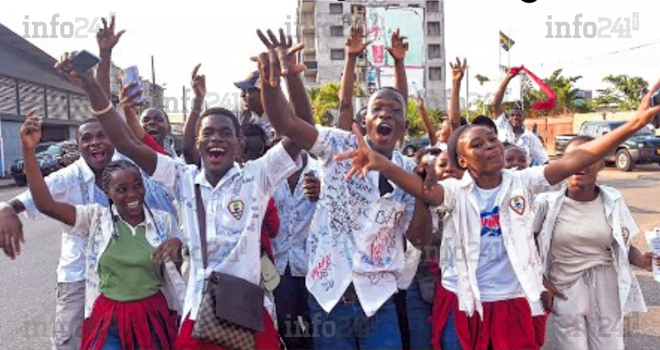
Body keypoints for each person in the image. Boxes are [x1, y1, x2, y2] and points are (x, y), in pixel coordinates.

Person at [334, 73, 660, 350]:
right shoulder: (456, 194)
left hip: (512, 303)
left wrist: (633, 124)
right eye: (477, 145)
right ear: (462, 162)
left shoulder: (522, 182)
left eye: (492, 140)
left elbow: (575, 159)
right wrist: (381, 163)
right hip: (463, 304)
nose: (490, 145)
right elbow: (424, 191)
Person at [54, 27, 312, 349]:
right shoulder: (183, 178)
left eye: (225, 133)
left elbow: (302, 132)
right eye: (208, 134)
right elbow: (125, 142)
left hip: (249, 312)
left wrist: (289, 75)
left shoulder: (257, 177)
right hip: (198, 314)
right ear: (198, 143)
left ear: (239, 142)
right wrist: (92, 85)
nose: (216, 138)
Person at [253, 28, 432, 350]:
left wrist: (423, 193)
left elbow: (419, 239)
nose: (386, 115)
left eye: (395, 111)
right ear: (366, 121)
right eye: (378, 109)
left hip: (378, 302)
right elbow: (288, 125)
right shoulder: (339, 145)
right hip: (328, 298)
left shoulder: (408, 173)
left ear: (405, 125)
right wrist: (273, 83)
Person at [20, 112, 183, 350]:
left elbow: (181, 260)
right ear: (106, 192)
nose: (132, 194)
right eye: (122, 189)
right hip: (110, 320)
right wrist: (28, 152)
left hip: (152, 316)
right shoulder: (95, 218)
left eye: (138, 186)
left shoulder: (163, 221)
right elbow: (46, 204)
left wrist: (178, 244)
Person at [534, 136, 658, 350]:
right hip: (564, 288)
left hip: (606, 285)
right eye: (572, 158)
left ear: (601, 163)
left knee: (610, 346)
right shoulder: (545, 202)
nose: (579, 164)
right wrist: (541, 283)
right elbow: (527, 246)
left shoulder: (613, 199)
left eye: (588, 157)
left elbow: (623, 243)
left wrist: (644, 261)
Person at [271, 147, 319, 350]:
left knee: (315, 325)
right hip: (279, 267)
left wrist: (324, 194)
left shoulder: (321, 172)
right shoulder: (268, 172)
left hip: (314, 266)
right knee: (286, 325)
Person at [491, 68, 548, 167]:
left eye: (519, 115)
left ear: (524, 118)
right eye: (512, 115)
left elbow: (544, 161)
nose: (515, 117)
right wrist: (506, 79)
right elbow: (495, 104)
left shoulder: (531, 138)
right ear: (508, 118)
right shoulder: (502, 127)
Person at [235, 70, 275, 143]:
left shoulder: (280, 119)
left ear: (264, 93)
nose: (242, 95)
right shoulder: (243, 117)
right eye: (243, 90)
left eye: (249, 91)